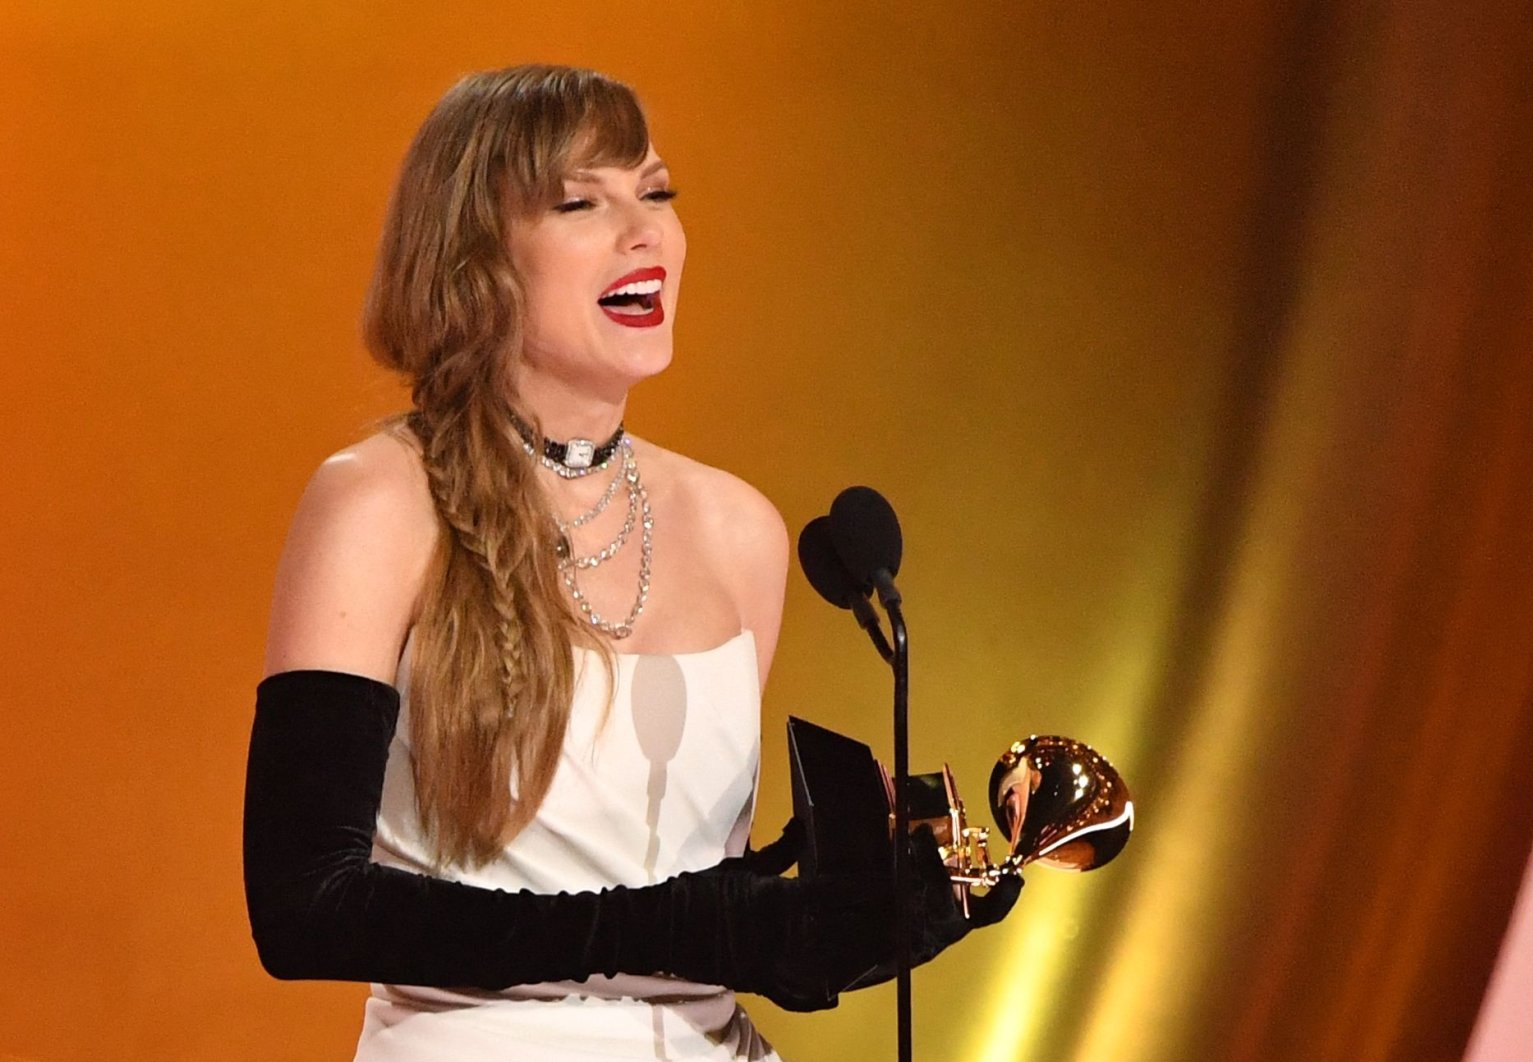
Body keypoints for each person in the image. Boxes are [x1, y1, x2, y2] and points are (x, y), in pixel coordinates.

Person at [242, 64, 1019, 1061]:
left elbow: (692, 904)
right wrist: (679, 927)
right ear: (473, 260)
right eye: (581, 202)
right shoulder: (379, 502)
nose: (644, 231)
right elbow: (305, 907)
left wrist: (833, 919)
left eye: (655, 193)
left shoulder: (738, 528)